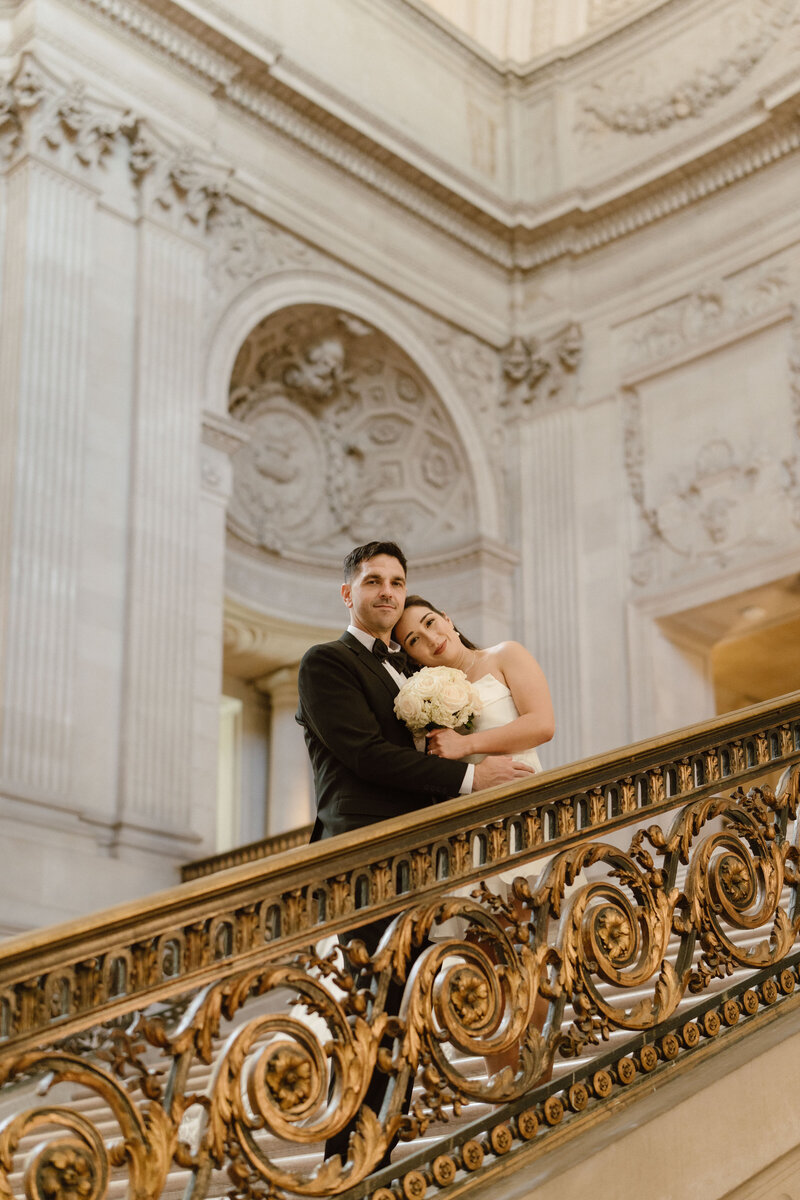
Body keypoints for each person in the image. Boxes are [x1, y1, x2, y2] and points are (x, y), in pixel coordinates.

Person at [295, 542, 535, 1167]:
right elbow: (364, 755)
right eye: (372, 581)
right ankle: (346, 1159)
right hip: (365, 855)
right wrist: (469, 781)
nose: (386, 591)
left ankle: (391, 1142)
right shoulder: (328, 661)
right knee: (368, 1005)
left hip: (426, 856)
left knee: (409, 1002)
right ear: (348, 594)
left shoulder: (415, 673)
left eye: (396, 581)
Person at [393, 595, 557, 1077]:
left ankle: (535, 1081)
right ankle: (502, 1085)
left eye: (428, 622)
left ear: (446, 617)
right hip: (470, 837)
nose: (430, 638)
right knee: (485, 968)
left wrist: (469, 744)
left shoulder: (505, 655)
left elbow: (541, 724)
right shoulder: (420, 700)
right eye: (413, 640)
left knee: (529, 956)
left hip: (524, 823)